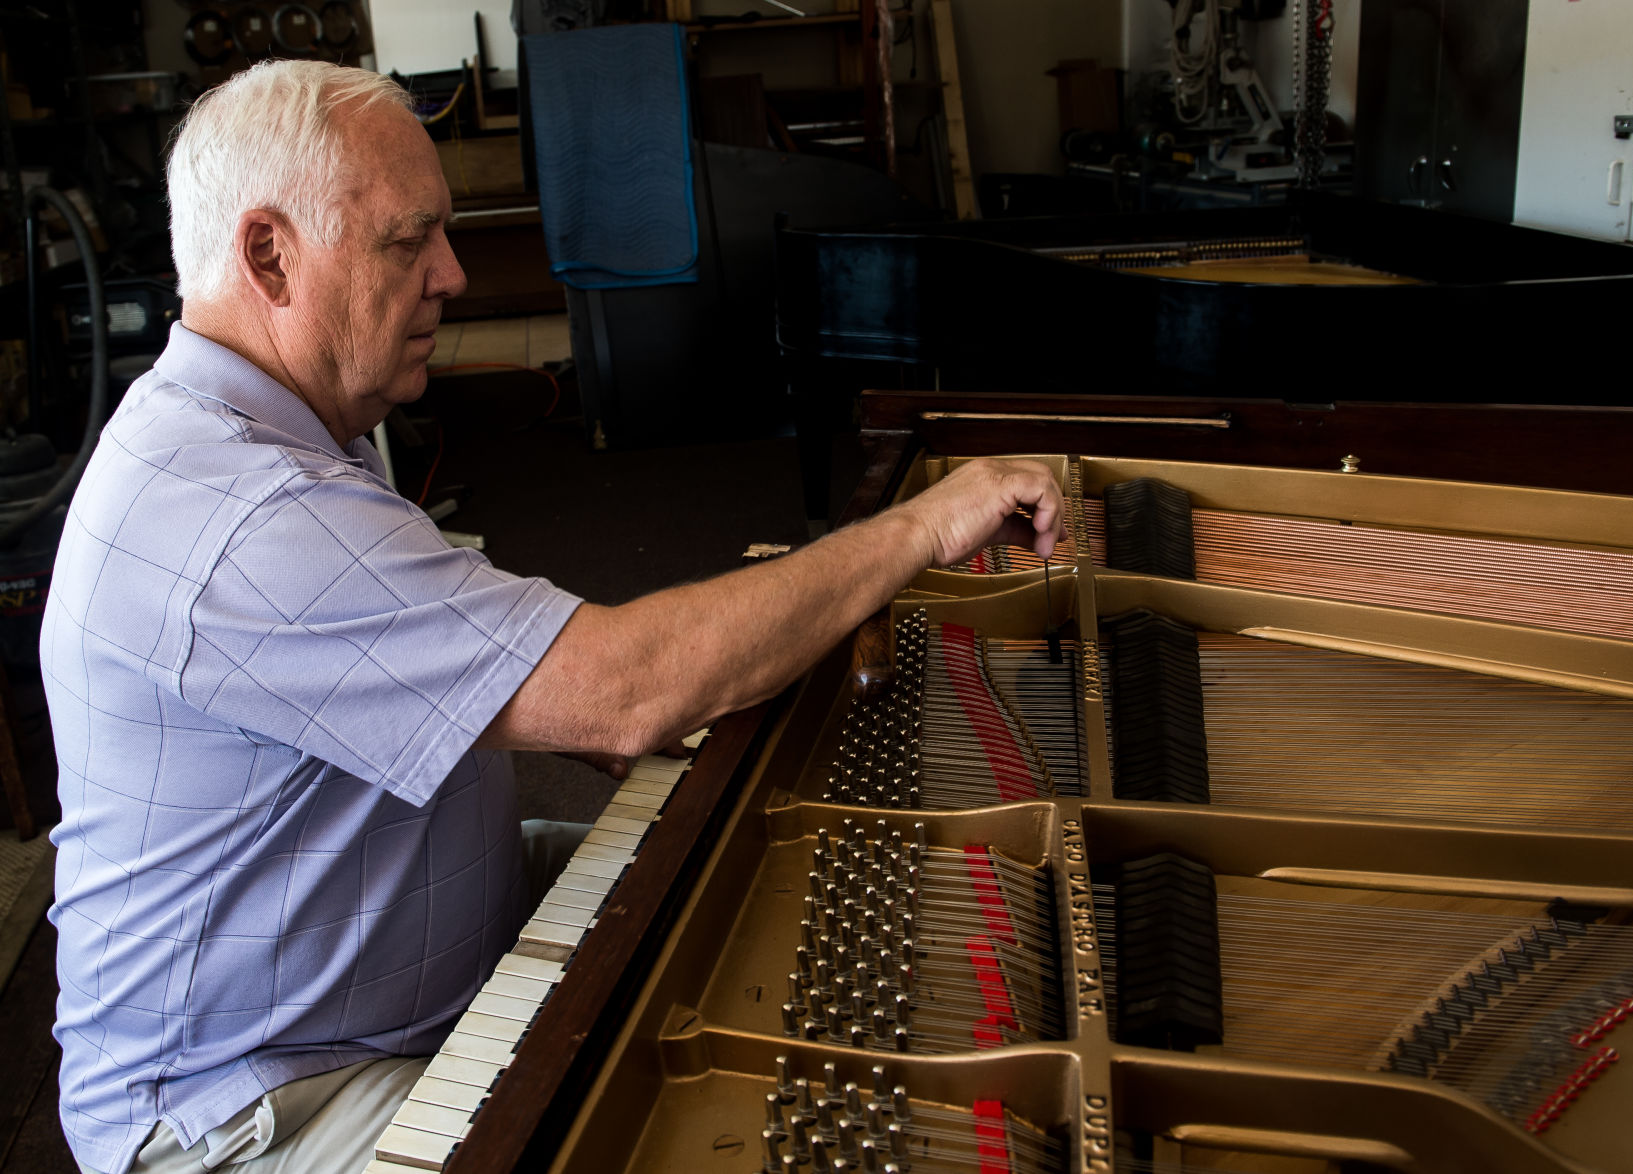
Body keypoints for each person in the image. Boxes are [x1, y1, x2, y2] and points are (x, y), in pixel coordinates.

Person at [42, 60, 1064, 1174]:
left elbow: (455, 669)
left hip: (390, 923)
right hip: (259, 1096)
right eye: (405, 240)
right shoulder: (238, 513)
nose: (452, 272)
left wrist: (628, 703)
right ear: (268, 255)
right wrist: (920, 528)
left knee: (777, 894)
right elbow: (622, 689)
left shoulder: (270, 424)